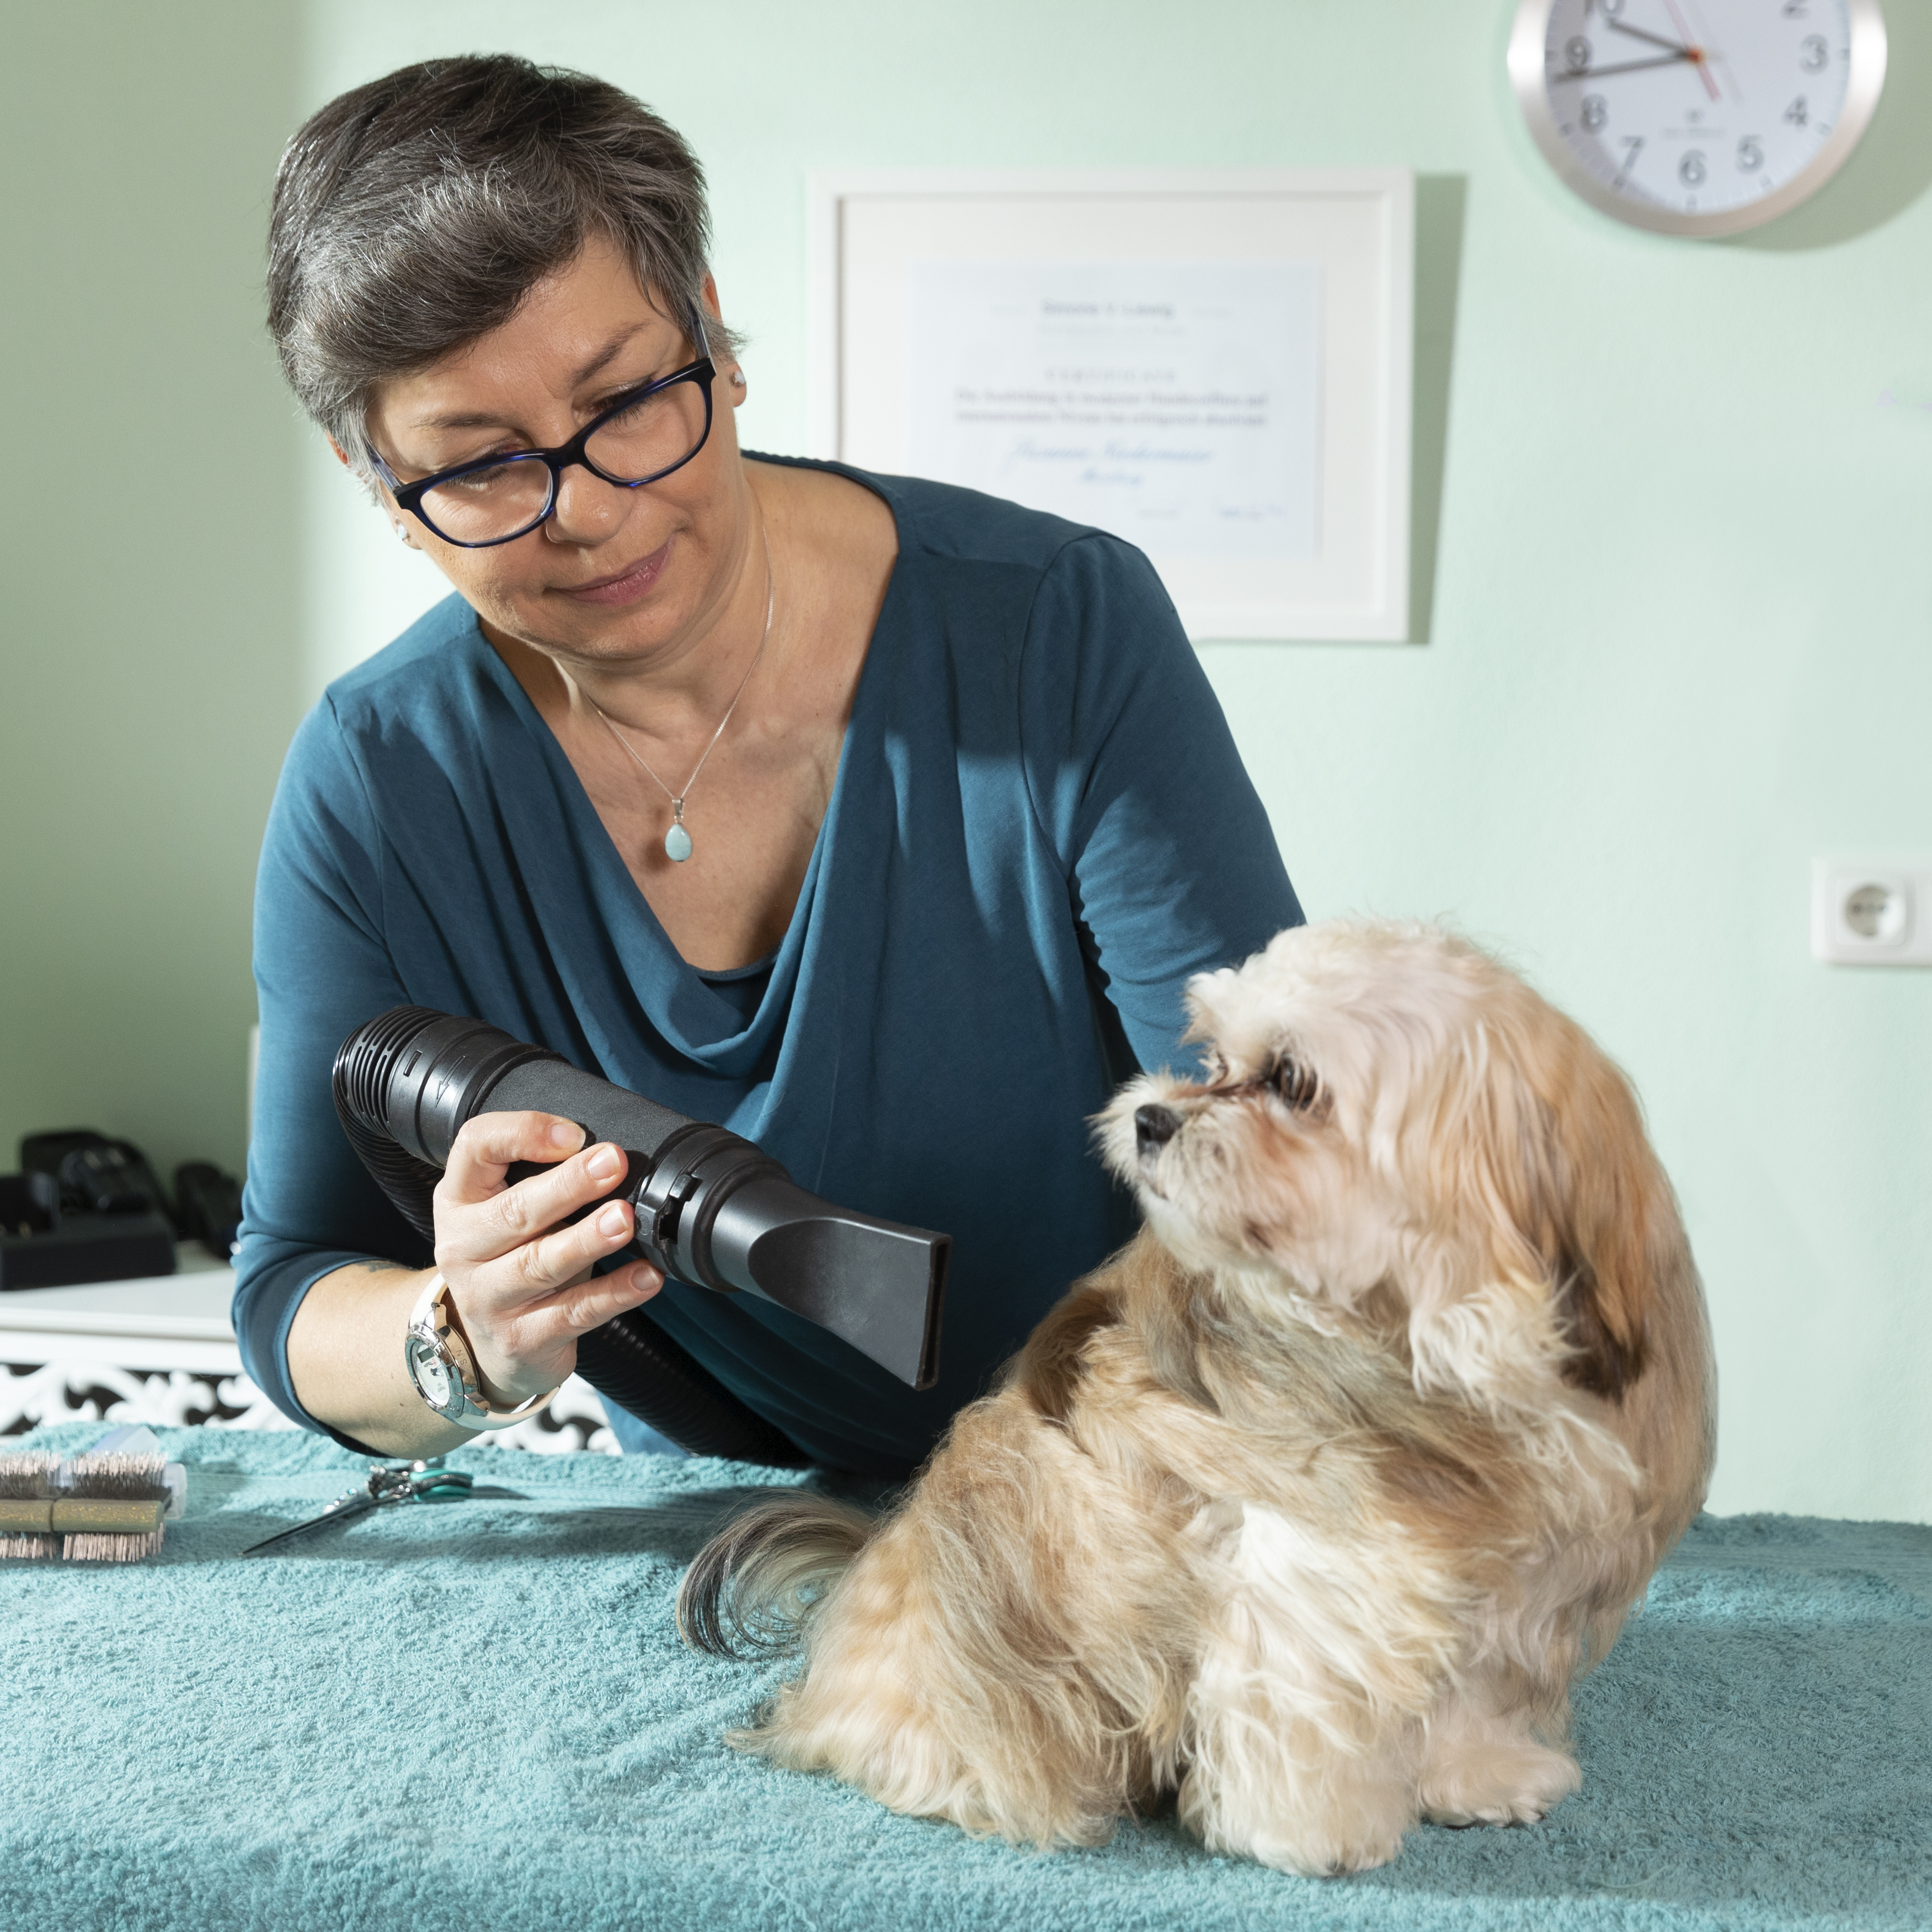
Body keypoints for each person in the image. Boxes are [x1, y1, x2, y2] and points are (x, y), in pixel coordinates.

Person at [236, 53, 1301, 1476]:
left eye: (625, 404)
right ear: (381, 488)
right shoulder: (381, 782)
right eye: (482, 468)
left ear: (717, 341)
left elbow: (1276, 1139)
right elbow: (292, 1284)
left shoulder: (1054, 628)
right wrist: (461, 1331)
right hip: (719, 1535)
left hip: (1141, 1486)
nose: (590, 516)